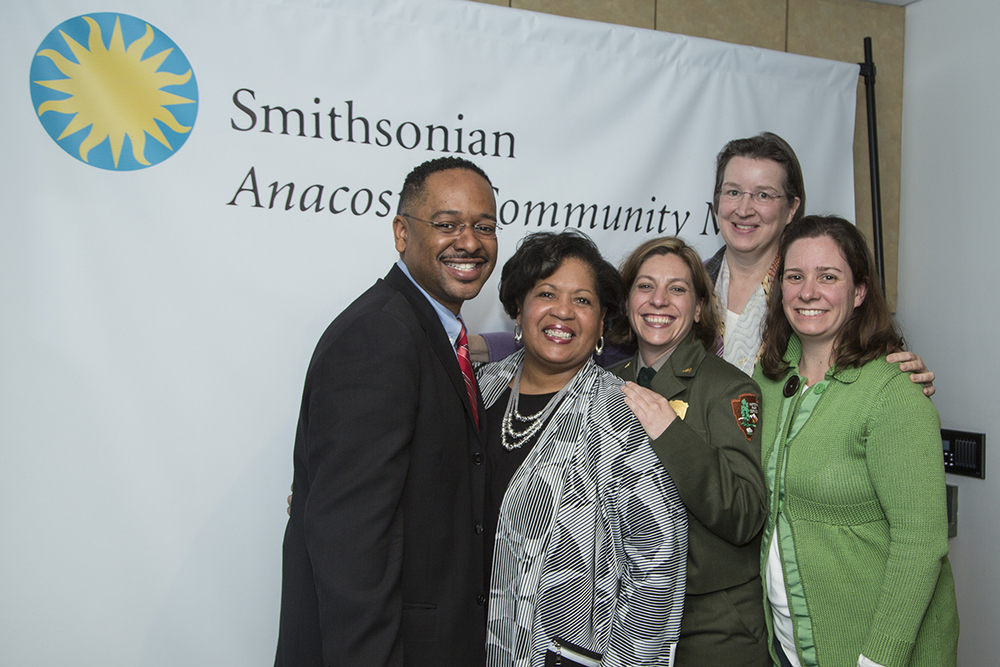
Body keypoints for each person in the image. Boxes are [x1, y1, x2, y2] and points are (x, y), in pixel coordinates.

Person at [474, 132, 936, 396]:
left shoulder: (808, 297)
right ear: (715, 204)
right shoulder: (689, 285)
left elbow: (863, 358)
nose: (744, 208)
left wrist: (897, 374)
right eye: (732, 192)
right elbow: (604, 338)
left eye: (763, 195)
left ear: (792, 208)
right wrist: (487, 346)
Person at [274, 156, 499, 667]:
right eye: (447, 224)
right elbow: (350, 546)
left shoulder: (432, 335)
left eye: (483, 226)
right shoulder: (379, 336)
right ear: (402, 232)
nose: (469, 242)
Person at [476, 230, 687, 667]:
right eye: (547, 293)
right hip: (459, 639)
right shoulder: (478, 391)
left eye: (583, 300)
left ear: (602, 321)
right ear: (519, 308)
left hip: (565, 654)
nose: (563, 312)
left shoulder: (621, 413)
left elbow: (658, 557)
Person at [755, 216, 959, 667]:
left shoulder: (893, 392)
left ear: (860, 292)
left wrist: (878, 659)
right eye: (795, 276)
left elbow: (921, 543)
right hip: (789, 644)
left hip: (870, 652)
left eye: (829, 277)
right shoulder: (768, 380)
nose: (809, 291)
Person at [613, 237, 770, 666]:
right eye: (645, 286)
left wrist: (670, 432)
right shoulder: (607, 382)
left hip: (709, 624)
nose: (659, 300)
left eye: (677, 289)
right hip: (623, 618)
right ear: (627, 301)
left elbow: (745, 515)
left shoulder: (729, 388)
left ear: (699, 308)